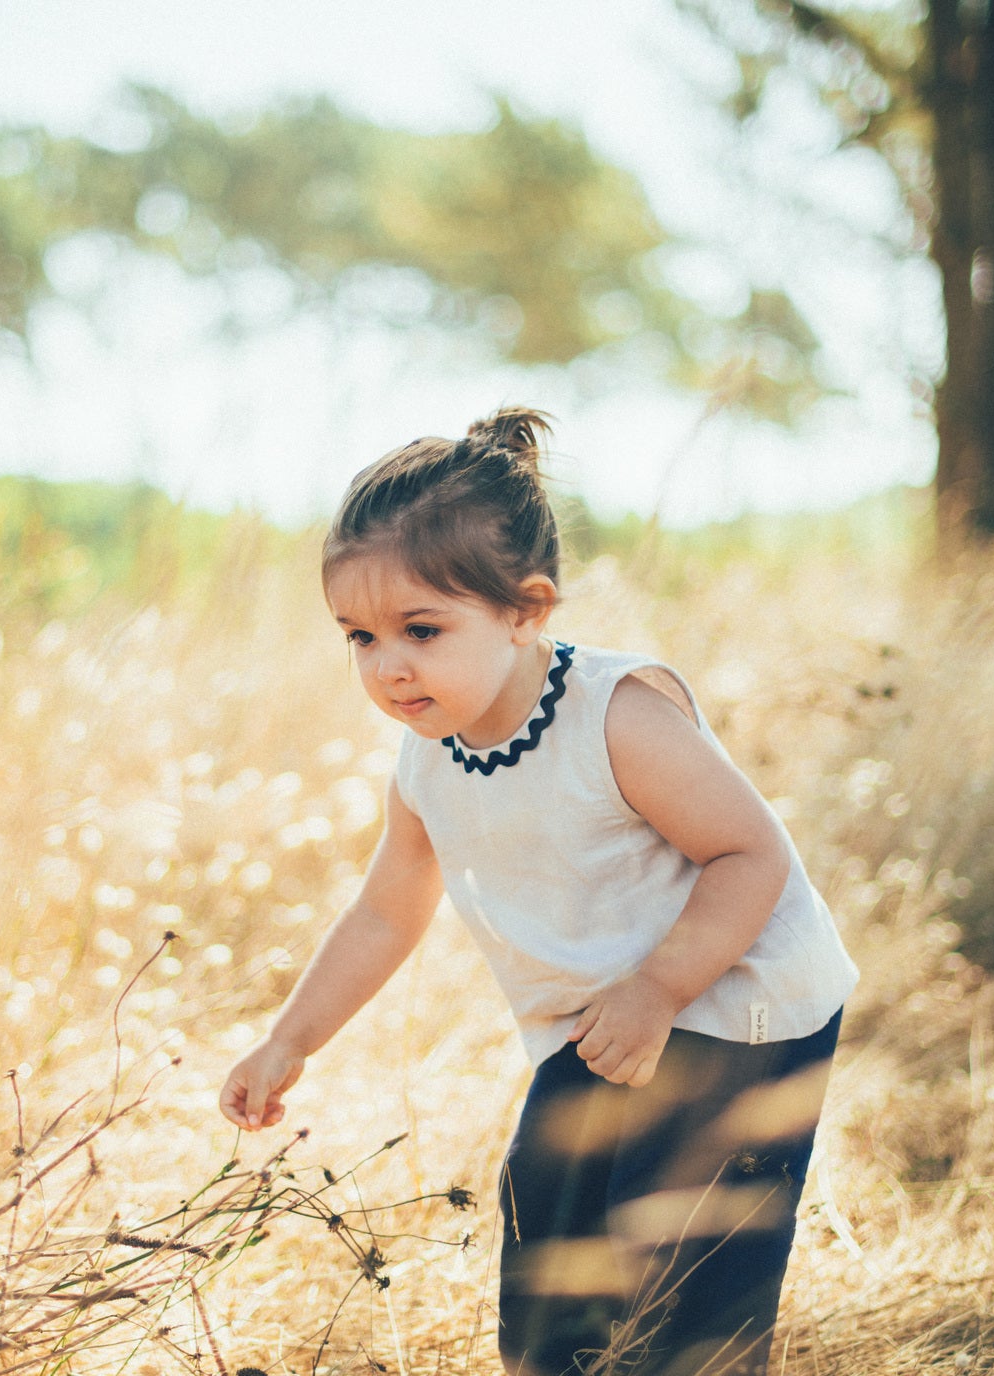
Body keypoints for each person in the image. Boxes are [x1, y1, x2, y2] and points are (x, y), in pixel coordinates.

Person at [218, 407, 859, 1376]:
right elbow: (386, 911)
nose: (388, 666)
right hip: (600, 1020)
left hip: (740, 1004)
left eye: (421, 629)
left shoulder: (615, 718)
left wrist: (660, 989)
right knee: (548, 1238)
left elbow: (750, 855)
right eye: (359, 636)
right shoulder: (428, 758)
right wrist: (289, 1039)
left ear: (526, 611)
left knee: (684, 1274)